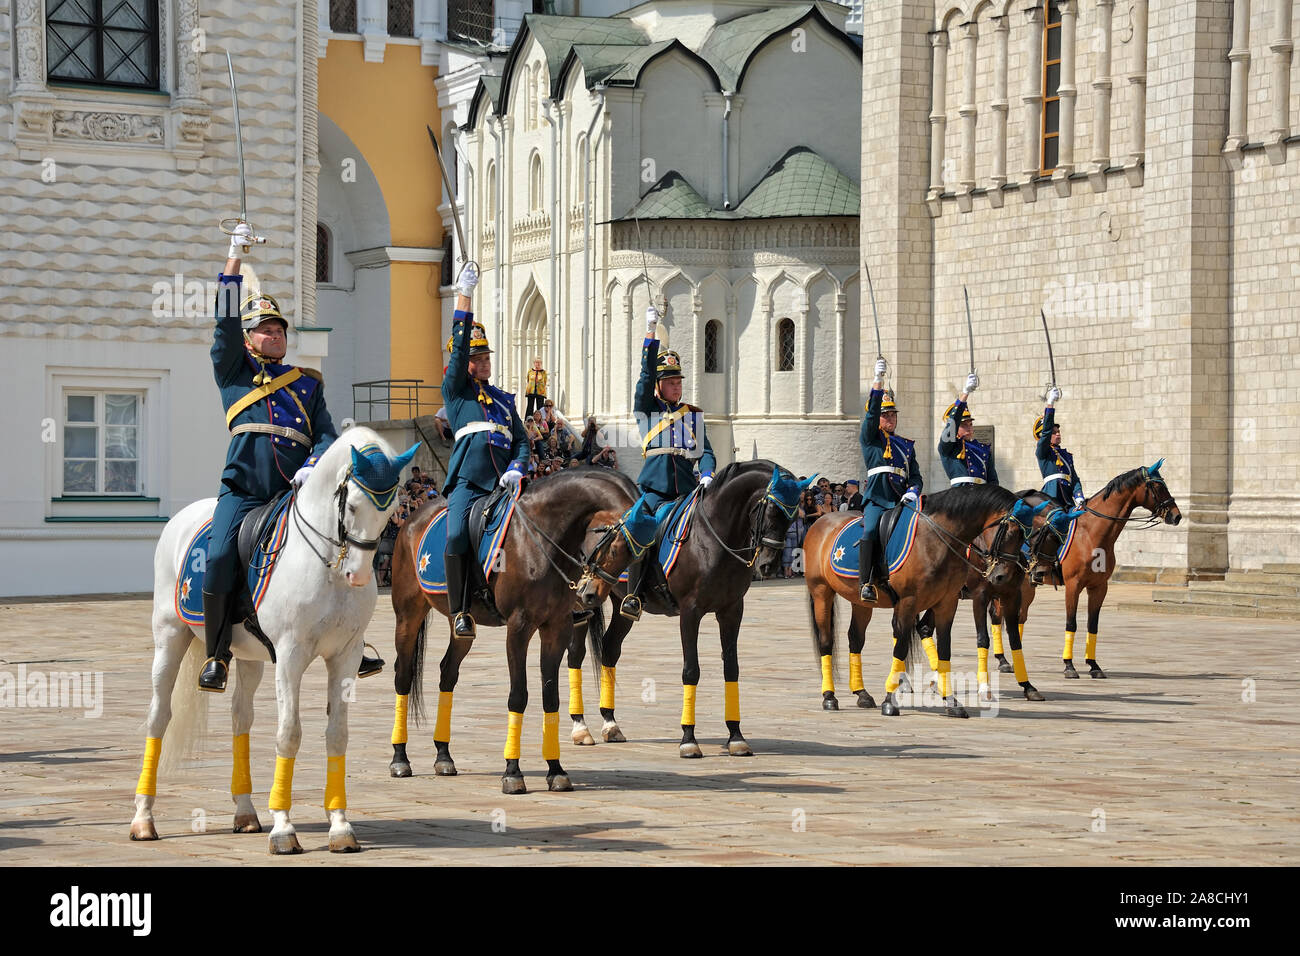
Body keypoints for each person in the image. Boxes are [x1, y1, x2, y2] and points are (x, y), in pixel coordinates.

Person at [198, 222, 380, 691]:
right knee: (220, 557)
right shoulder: (233, 372)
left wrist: (312, 464)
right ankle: (216, 653)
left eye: (279, 329)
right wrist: (233, 257)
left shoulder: (307, 382)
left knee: (343, 546)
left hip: (292, 493)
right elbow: (222, 323)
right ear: (250, 338)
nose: (275, 335)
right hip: (243, 492)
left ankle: (351, 641)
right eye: (264, 330)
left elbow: (324, 435)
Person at [440, 263, 530, 639]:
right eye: (476, 358)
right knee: (457, 533)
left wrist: (518, 467)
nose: (482, 362)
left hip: (504, 485)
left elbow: (522, 440)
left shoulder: (504, 401)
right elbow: (459, 351)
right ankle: (460, 609)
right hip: (469, 482)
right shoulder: (456, 393)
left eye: (486, 356)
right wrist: (465, 297)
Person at [620, 307, 716, 620]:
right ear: (659, 386)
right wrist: (650, 332)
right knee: (640, 526)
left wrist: (708, 473)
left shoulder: (693, 414)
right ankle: (634, 595)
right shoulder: (647, 409)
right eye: (671, 382)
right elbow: (646, 374)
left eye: (679, 381)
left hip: (688, 492)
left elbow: (707, 452)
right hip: (656, 490)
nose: (677, 386)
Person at [858, 359, 923, 603]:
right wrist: (878, 381)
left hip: (900, 499)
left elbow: (915, 475)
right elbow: (871, 413)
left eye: (893, 415)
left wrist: (913, 491)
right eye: (886, 415)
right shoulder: (870, 437)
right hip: (877, 498)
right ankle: (866, 582)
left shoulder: (906, 445)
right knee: (872, 529)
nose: (890, 419)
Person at [938, 373, 999, 487]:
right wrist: (965, 394)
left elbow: (993, 481)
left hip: (982, 496)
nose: (969, 427)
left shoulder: (983, 449)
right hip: (960, 497)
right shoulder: (949, 446)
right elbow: (952, 424)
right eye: (964, 424)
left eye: (970, 424)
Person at [1034, 387, 1084, 512]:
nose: (1058, 434)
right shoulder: (1043, 451)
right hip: (1051, 497)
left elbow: (1074, 478)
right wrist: (1050, 403)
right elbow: (1046, 431)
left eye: (1058, 431)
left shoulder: (1066, 455)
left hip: (1067, 498)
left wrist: (1079, 496)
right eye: (1054, 432)